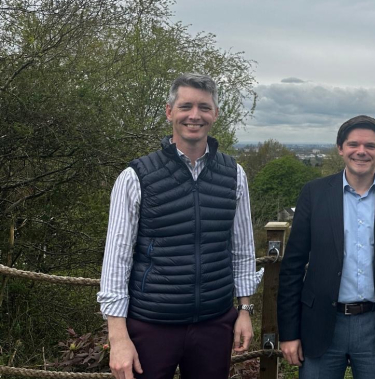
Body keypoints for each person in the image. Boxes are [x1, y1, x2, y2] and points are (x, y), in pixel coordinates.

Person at [97, 73, 258, 379]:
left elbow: (243, 249)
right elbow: (116, 262)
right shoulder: (136, 177)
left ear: (215, 114)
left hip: (215, 322)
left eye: (204, 107)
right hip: (151, 324)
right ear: (169, 111)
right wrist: (118, 337)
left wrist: (245, 310)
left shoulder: (234, 174)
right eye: (185, 106)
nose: (194, 115)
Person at [278, 115, 375, 379]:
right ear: (340, 148)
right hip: (321, 324)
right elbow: (292, 265)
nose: (361, 151)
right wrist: (289, 333)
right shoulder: (314, 193)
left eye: (370, 146)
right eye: (353, 144)